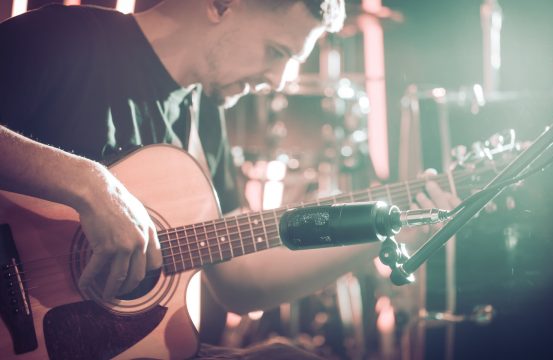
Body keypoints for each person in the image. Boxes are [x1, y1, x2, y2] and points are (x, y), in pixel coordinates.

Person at [0, 0, 459, 358]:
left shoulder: (205, 120)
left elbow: (243, 281)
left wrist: (381, 227)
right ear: (221, 4)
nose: (280, 80)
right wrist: (87, 184)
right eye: (277, 52)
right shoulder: (60, 38)